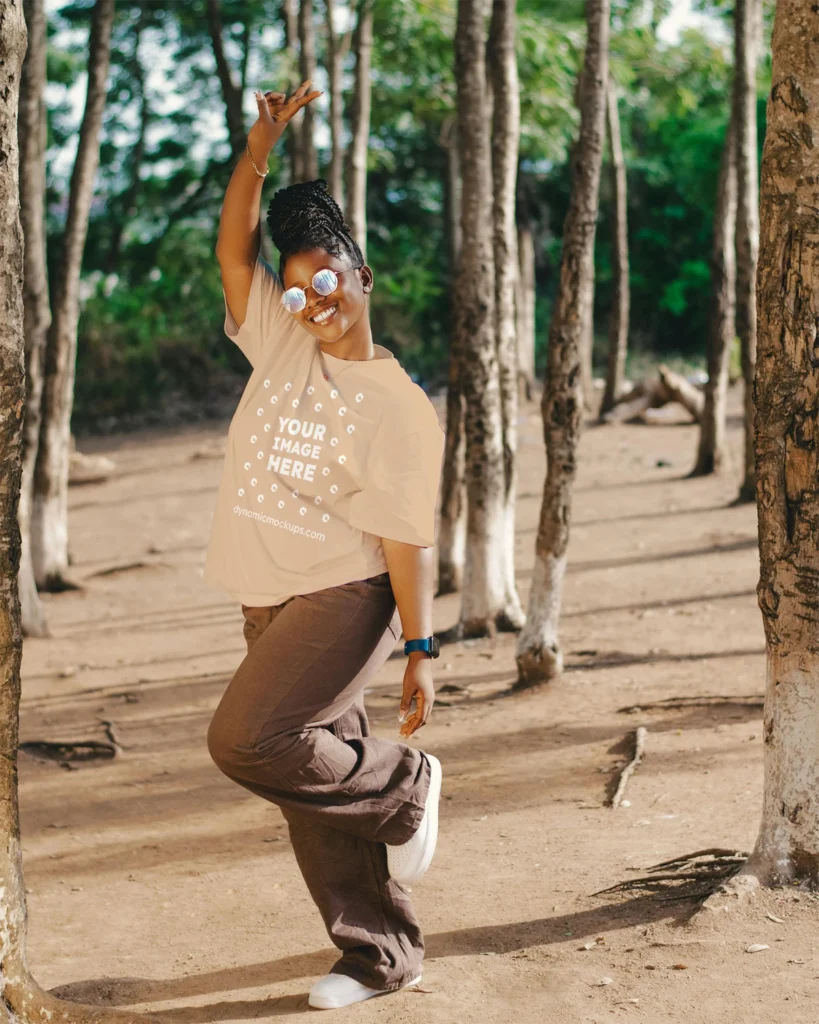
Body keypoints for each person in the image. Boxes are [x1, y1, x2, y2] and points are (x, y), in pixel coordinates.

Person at [202, 79, 446, 1011]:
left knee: (250, 739)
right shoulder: (281, 341)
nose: (311, 300)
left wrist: (419, 650)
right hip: (266, 590)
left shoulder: (396, 405)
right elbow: (232, 247)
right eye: (297, 285)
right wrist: (260, 145)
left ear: (362, 277)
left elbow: (403, 536)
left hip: (344, 595)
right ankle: (379, 955)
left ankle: (406, 787)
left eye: (327, 280)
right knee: (309, 774)